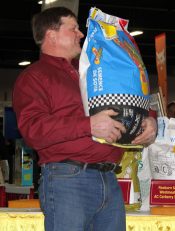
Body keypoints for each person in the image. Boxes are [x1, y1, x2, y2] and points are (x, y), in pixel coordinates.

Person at [12, 7, 157, 231]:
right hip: (67, 180)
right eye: (74, 29)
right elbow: (33, 130)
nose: (81, 34)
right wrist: (88, 125)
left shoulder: (92, 71)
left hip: (109, 178)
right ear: (52, 34)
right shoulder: (34, 77)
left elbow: (123, 105)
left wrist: (146, 121)